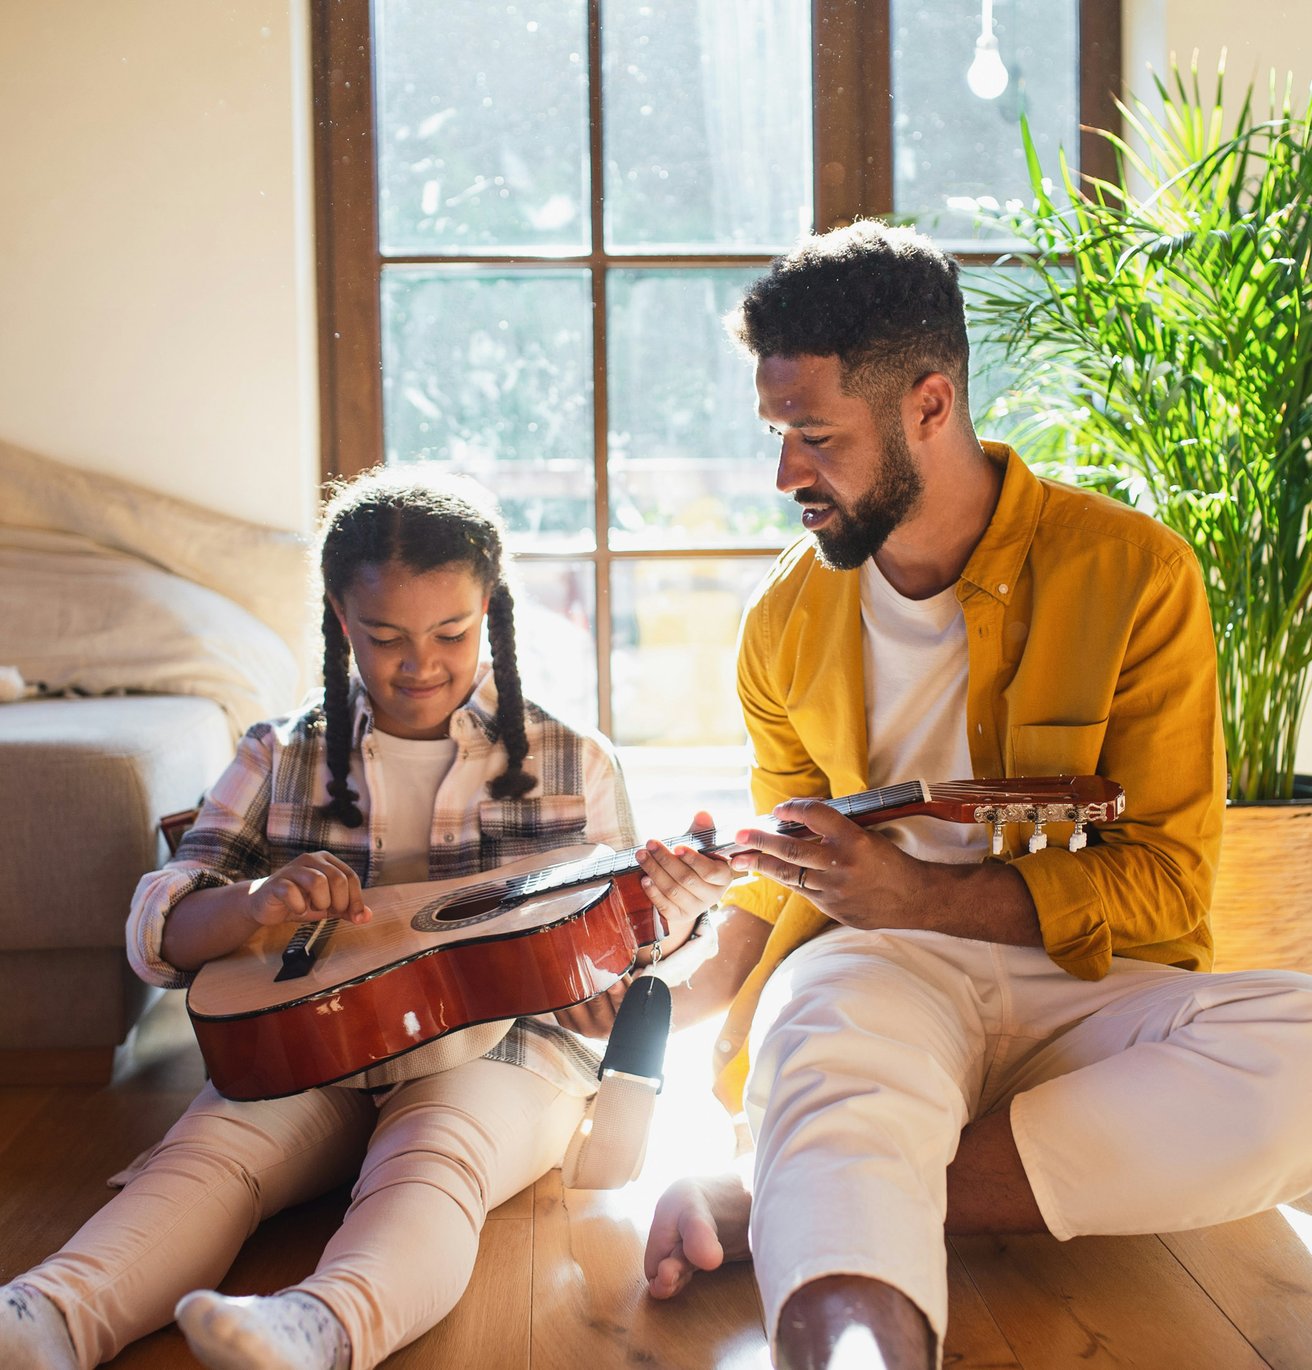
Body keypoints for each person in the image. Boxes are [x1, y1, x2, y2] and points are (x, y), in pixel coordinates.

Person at [638, 220, 1312, 1370]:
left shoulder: (1133, 573)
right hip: (878, 976)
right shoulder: (782, 622)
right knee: (823, 1027)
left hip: (1095, 991)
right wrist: (646, 991)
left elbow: (1161, 882)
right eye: (776, 433)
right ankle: (849, 1248)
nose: (784, 474)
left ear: (930, 405)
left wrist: (910, 890)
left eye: (813, 436)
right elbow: (776, 898)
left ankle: (807, 1189)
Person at [0, 467, 721, 1370]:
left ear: (492, 611)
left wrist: (631, 969)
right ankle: (47, 1316)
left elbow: (635, 942)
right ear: (342, 622)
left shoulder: (574, 757)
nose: (419, 664)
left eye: (452, 633)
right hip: (312, 1042)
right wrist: (255, 904)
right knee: (213, 1153)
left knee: (436, 1155)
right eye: (383, 637)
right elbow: (160, 931)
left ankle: (323, 1328)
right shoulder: (279, 752)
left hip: (506, 1045)